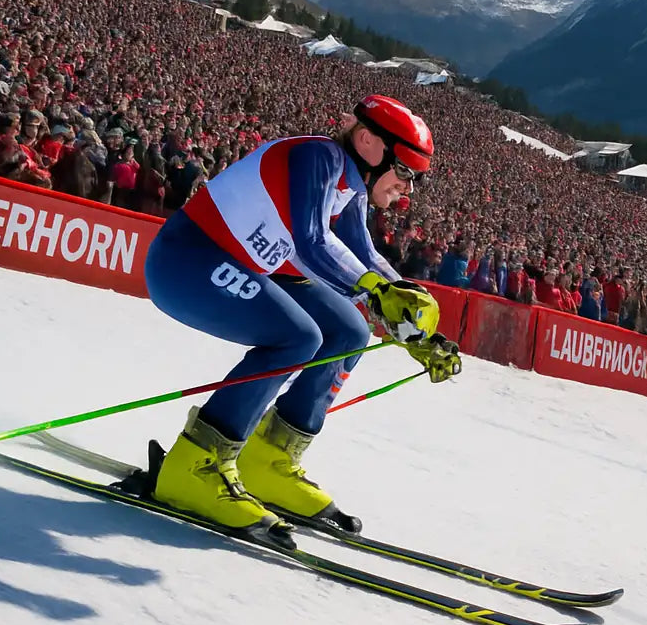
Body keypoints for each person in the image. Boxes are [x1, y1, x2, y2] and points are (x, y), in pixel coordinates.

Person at [141, 94, 460, 540]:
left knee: (348, 331)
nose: (409, 187)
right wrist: (380, 291)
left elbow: (363, 256)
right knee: (297, 337)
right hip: (188, 259)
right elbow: (311, 242)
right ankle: (195, 464)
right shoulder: (318, 156)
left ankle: (269, 460)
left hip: (243, 265)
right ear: (368, 141)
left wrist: (418, 329)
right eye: (406, 170)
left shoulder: (349, 186)